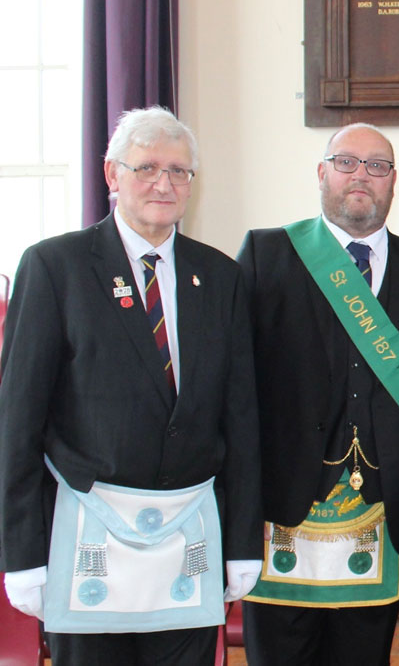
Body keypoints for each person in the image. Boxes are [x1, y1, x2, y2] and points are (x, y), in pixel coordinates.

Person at [0, 107, 262, 664]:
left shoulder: (220, 277)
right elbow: (17, 420)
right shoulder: (55, 267)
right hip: (86, 535)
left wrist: (241, 542)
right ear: (111, 175)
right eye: (146, 168)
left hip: (187, 539)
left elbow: (240, 419)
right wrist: (21, 553)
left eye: (179, 170)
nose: (164, 183)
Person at [237, 123, 399, 665]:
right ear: (321, 172)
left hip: (382, 513)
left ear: (393, 181)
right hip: (282, 511)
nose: (361, 176)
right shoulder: (267, 254)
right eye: (346, 162)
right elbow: (236, 391)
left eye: (377, 166)